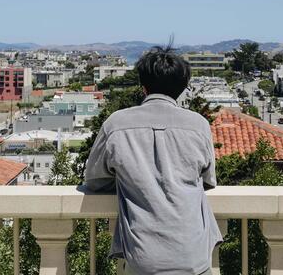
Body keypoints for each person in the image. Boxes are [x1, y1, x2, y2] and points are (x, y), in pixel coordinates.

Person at [85, 46, 222, 275]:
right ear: (182, 88)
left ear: (144, 86)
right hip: (194, 254)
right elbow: (208, 180)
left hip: (143, 256)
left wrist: (129, 181)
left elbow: (95, 180)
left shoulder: (116, 124)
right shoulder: (199, 125)